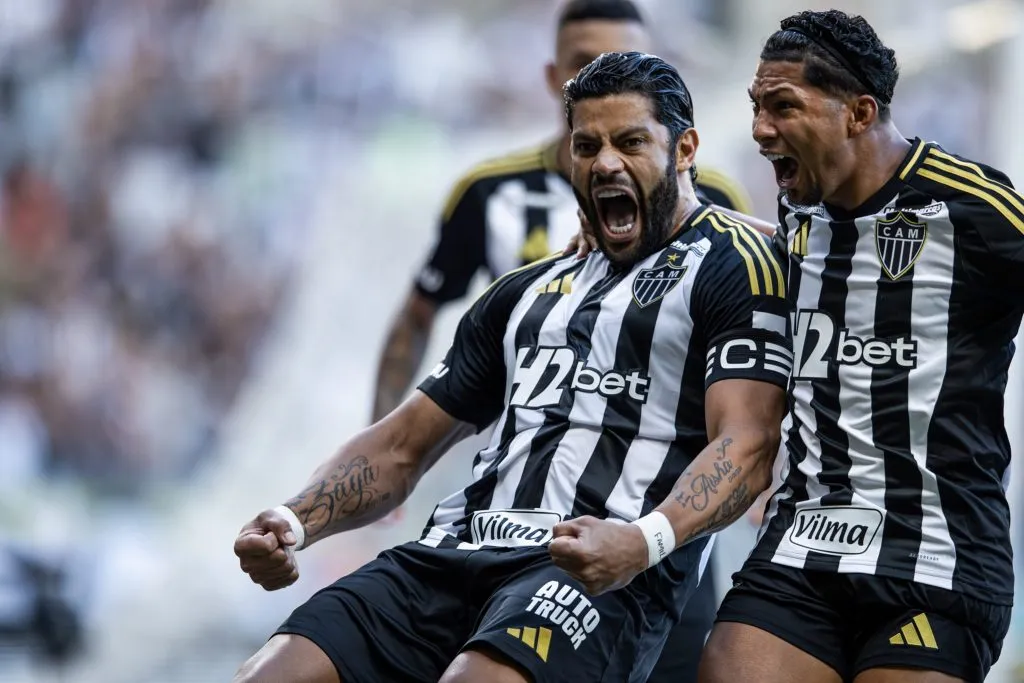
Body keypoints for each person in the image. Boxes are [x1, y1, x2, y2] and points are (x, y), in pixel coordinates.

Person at [232, 51, 790, 683]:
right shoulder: (525, 290)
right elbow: (402, 444)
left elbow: (747, 444)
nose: (606, 162)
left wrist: (642, 543)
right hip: (450, 553)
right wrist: (292, 521)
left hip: (591, 570)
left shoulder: (739, 264)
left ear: (684, 149)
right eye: (588, 146)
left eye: (631, 142)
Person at [370, 2, 754, 680]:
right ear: (554, 76)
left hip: (654, 507)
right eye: (585, 63)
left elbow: (758, 324)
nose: (605, 71)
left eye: (624, 60)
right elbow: (416, 315)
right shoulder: (491, 193)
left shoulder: (708, 197)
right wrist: (387, 441)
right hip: (516, 498)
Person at [693, 10, 1019, 683]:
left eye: (782, 106)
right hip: (802, 549)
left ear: (859, 113)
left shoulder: (976, 210)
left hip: (935, 556)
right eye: (757, 106)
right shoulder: (799, 210)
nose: (760, 129)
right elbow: (765, 247)